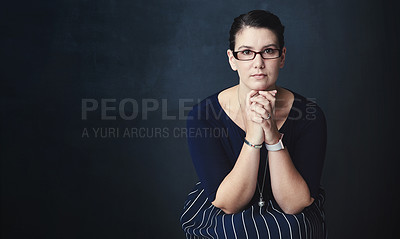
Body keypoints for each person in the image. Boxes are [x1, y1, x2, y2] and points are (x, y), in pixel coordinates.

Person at [180, 10, 327, 239]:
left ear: (282, 57)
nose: (258, 63)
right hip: (228, 203)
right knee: (235, 231)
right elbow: (229, 204)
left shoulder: (310, 114)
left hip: (289, 209)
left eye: (268, 51)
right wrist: (253, 135)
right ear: (232, 59)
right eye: (247, 52)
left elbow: (294, 204)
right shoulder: (203, 115)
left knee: (293, 229)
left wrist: (272, 134)